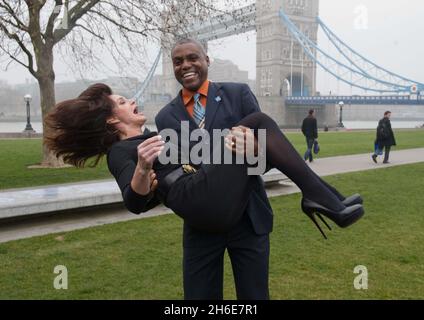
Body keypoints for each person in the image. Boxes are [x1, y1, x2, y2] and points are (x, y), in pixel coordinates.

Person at [45, 82, 364, 298]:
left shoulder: (160, 133)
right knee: (258, 120)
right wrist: (142, 169)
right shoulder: (123, 151)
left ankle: (324, 196)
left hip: (212, 199)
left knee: (253, 126)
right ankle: (321, 197)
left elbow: (209, 161)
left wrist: (249, 151)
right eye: (122, 102)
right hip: (196, 202)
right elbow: (134, 202)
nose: (131, 101)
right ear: (112, 121)